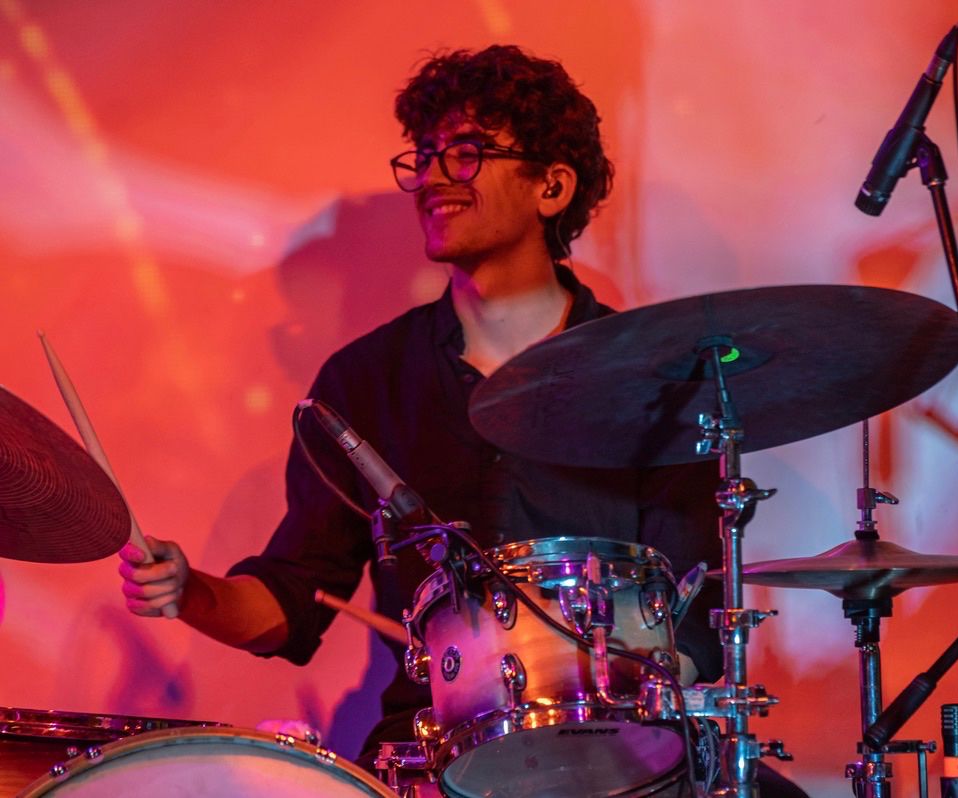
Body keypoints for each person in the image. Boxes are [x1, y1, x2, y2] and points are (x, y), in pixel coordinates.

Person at [120, 45, 805, 797]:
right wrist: (189, 591)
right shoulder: (365, 382)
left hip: (620, 748)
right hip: (431, 755)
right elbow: (291, 599)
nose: (435, 177)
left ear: (552, 186)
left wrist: (629, 713)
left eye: (468, 153)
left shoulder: (652, 377)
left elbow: (691, 609)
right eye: (425, 156)